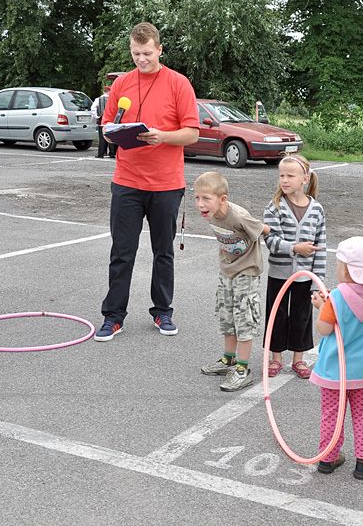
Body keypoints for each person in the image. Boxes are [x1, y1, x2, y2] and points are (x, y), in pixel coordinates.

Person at [94, 22, 199, 341]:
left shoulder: (178, 83)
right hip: (127, 182)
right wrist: (112, 133)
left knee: (163, 252)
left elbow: (192, 133)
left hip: (166, 184)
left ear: (159, 50)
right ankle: (113, 316)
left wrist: (162, 136)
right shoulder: (122, 83)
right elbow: (106, 126)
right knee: (121, 251)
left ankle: (162, 311)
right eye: (136, 53)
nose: (141, 59)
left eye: (147, 53)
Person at [310, 236, 363, 480]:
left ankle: (328, 458)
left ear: (346, 269)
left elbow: (324, 329)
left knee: (331, 415)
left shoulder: (336, 297)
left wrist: (321, 308)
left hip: (335, 372)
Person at [195, 172, 270, 392]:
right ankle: (229, 359)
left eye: (206, 198)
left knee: (244, 319)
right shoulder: (211, 214)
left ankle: (242, 368)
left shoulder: (239, 216)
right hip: (227, 271)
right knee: (227, 316)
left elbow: (265, 230)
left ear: (223, 199)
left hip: (246, 272)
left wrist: (288, 248)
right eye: (197, 198)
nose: (200, 204)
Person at [262, 153, 326, 378]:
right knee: (276, 314)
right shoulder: (274, 207)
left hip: (305, 275)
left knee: (302, 316)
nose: (285, 180)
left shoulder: (316, 209)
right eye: (282, 175)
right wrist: (295, 248)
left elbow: (321, 247)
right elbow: (271, 241)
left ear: (305, 179)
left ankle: (299, 358)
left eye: (290, 175)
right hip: (279, 273)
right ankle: (276, 357)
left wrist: (318, 281)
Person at [90, 88, 111, 158]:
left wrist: (97, 116)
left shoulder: (98, 99)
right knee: (111, 136)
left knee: (102, 138)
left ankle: (101, 154)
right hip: (112, 120)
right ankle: (112, 153)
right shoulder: (112, 99)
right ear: (109, 91)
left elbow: (93, 108)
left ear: (104, 91)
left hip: (102, 120)